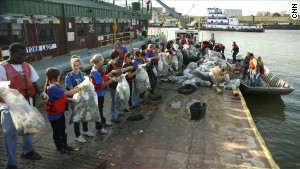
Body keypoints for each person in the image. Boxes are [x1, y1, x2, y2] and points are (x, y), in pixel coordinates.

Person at [0, 43, 47, 169]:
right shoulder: (2, 68)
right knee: (10, 133)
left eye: (25, 55)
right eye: (21, 55)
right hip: (9, 106)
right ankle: (11, 162)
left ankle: (27, 151)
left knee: (29, 130)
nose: (24, 57)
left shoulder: (27, 66)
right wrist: (16, 103)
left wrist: (41, 93)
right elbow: (2, 90)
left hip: (28, 104)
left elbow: (33, 83)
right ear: (11, 54)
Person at [44, 67, 81, 154]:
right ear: (54, 77)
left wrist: (72, 100)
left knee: (62, 129)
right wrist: (80, 88)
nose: (60, 76)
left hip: (59, 113)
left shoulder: (56, 86)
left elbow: (64, 97)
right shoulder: (52, 88)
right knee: (57, 131)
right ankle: (60, 148)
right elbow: (69, 93)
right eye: (58, 75)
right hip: (54, 116)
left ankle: (64, 145)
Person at [65, 55, 94, 143]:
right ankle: (77, 135)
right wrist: (81, 89)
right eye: (74, 65)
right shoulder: (68, 76)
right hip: (75, 100)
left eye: (77, 65)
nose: (76, 67)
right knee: (77, 118)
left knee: (85, 115)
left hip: (84, 98)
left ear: (80, 65)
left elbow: (88, 85)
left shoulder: (83, 74)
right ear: (71, 65)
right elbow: (71, 90)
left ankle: (85, 130)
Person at [90, 54, 115, 132]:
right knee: (98, 110)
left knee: (100, 108)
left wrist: (111, 73)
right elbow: (103, 84)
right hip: (98, 94)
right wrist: (112, 80)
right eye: (102, 60)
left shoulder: (98, 69)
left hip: (101, 92)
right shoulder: (95, 72)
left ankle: (103, 121)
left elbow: (104, 77)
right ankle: (99, 127)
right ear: (99, 61)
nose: (103, 61)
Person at [106, 50, 126, 123]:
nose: (119, 57)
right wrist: (116, 79)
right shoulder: (110, 65)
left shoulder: (116, 63)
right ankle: (113, 116)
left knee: (117, 100)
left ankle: (117, 113)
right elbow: (108, 76)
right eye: (118, 56)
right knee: (113, 101)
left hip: (118, 85)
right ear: (116, 56)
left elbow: (118, 71)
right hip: (113, 86)